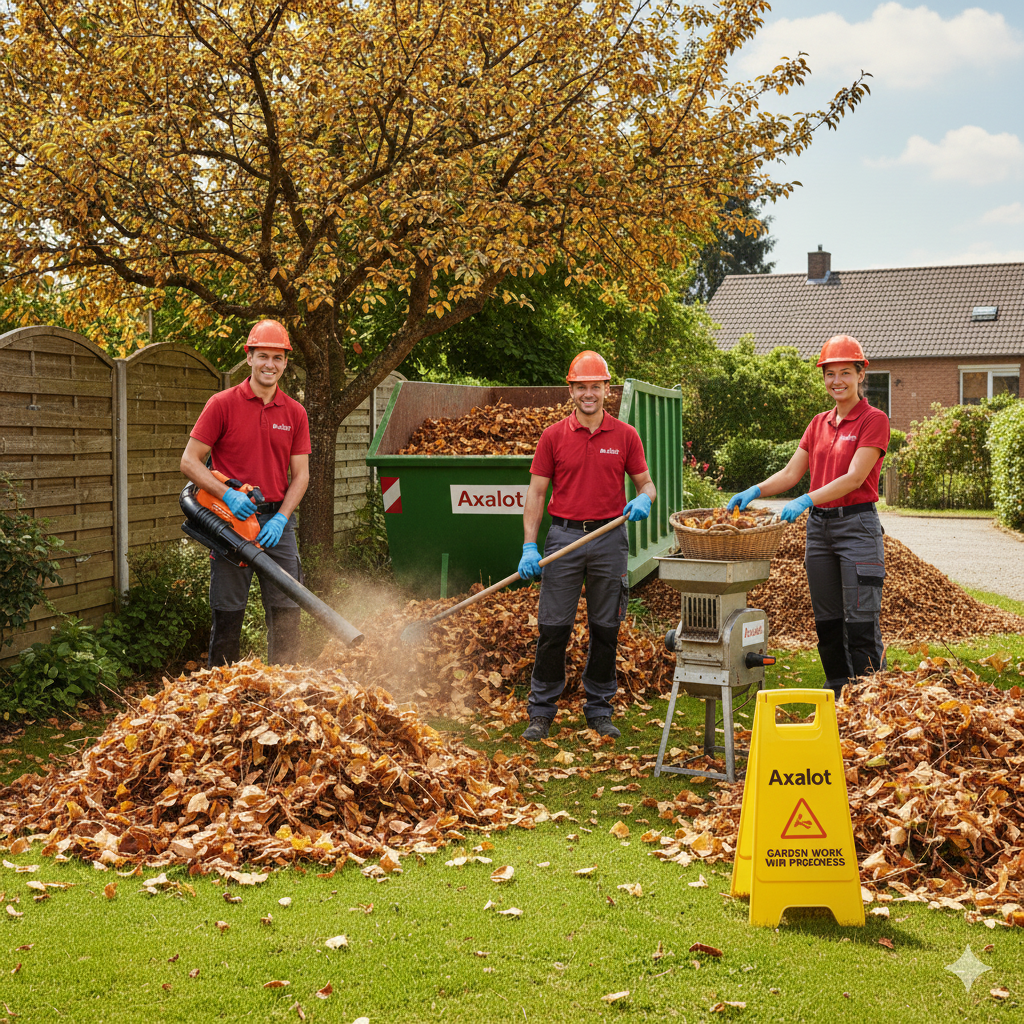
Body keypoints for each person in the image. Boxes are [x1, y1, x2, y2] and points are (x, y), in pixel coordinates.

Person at [727, 334, 890, 698]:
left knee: (861, 621)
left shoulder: (874, 420)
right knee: (828, 621)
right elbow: (789, 473)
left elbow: (855, 478)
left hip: (857, 527)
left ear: (861, 374)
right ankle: (836, 690)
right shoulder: (819, 423)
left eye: (845, 372)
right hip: (820, 530)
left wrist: (805, 499)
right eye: (830, 373)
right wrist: (755, 490)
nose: (837, 381)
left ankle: (871, 700)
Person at [517, 350, 657, 740]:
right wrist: (531, 546)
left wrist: (645, 497)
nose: (589, 393)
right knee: (553, 628)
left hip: (609, 539)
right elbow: (536, 492)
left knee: (605, 627)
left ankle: (598, 708)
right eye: (582, 387)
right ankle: (541, 710)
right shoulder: (553, 436)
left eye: (596, 386)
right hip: (563, 537)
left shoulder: (625, 436)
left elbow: (647, 483)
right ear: (571, 390)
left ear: (607, 389)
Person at [180, 320, 311, 667]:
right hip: (231, 521)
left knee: (287, 612)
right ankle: (222, 694)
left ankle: (284, 694)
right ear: (249, 357)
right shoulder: (222, 404)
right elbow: (190, 463)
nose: (270, 364)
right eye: (263, 356)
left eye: (277, 358)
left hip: (276, 525)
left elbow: (301, 476)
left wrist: (282, 517)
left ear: (285, 362)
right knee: (228, 611)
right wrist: (229, 495)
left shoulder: (295, 413)